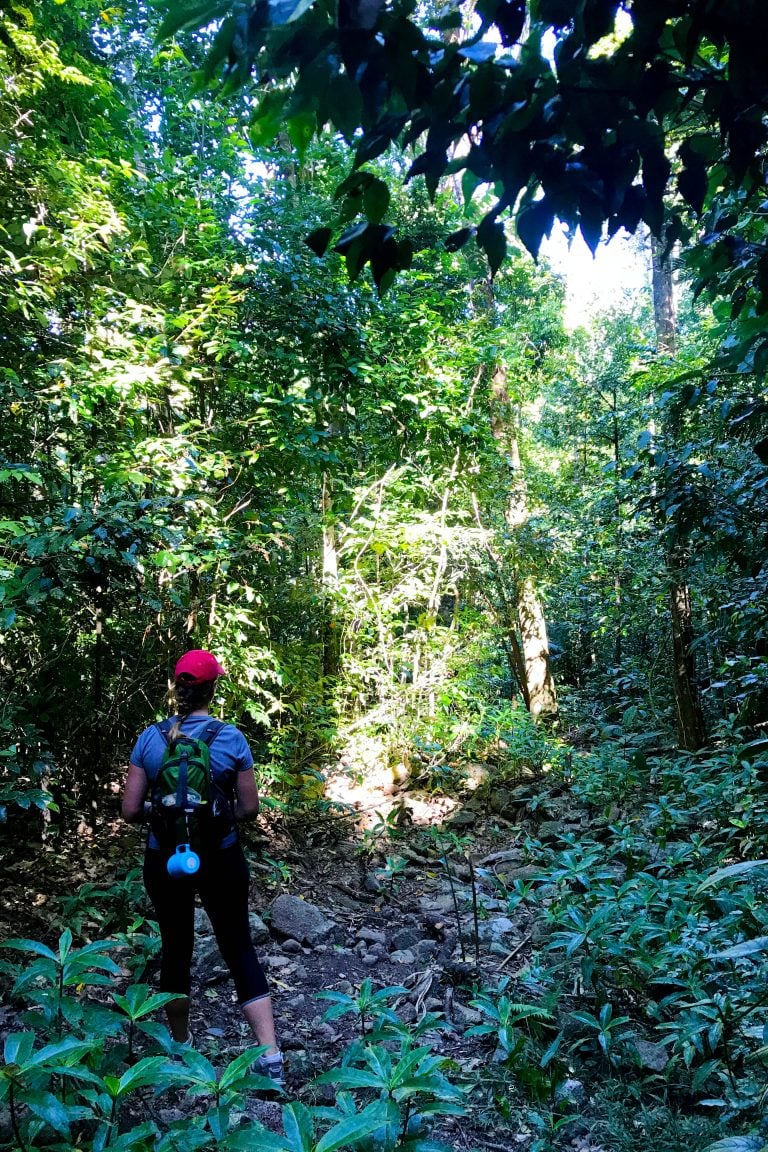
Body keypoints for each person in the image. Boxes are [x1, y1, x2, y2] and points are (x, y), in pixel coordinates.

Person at [121, 649, 283, 1084]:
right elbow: (249, 809)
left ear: (177, 689)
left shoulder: (150, 738)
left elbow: (130, 810)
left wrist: (167, 807)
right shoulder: (231, 739)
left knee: (176, 948)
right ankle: (269, 1055)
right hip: (222, 858)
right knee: (238, 947)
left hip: (166, 859)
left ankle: (180, 1046)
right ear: (213, 689)